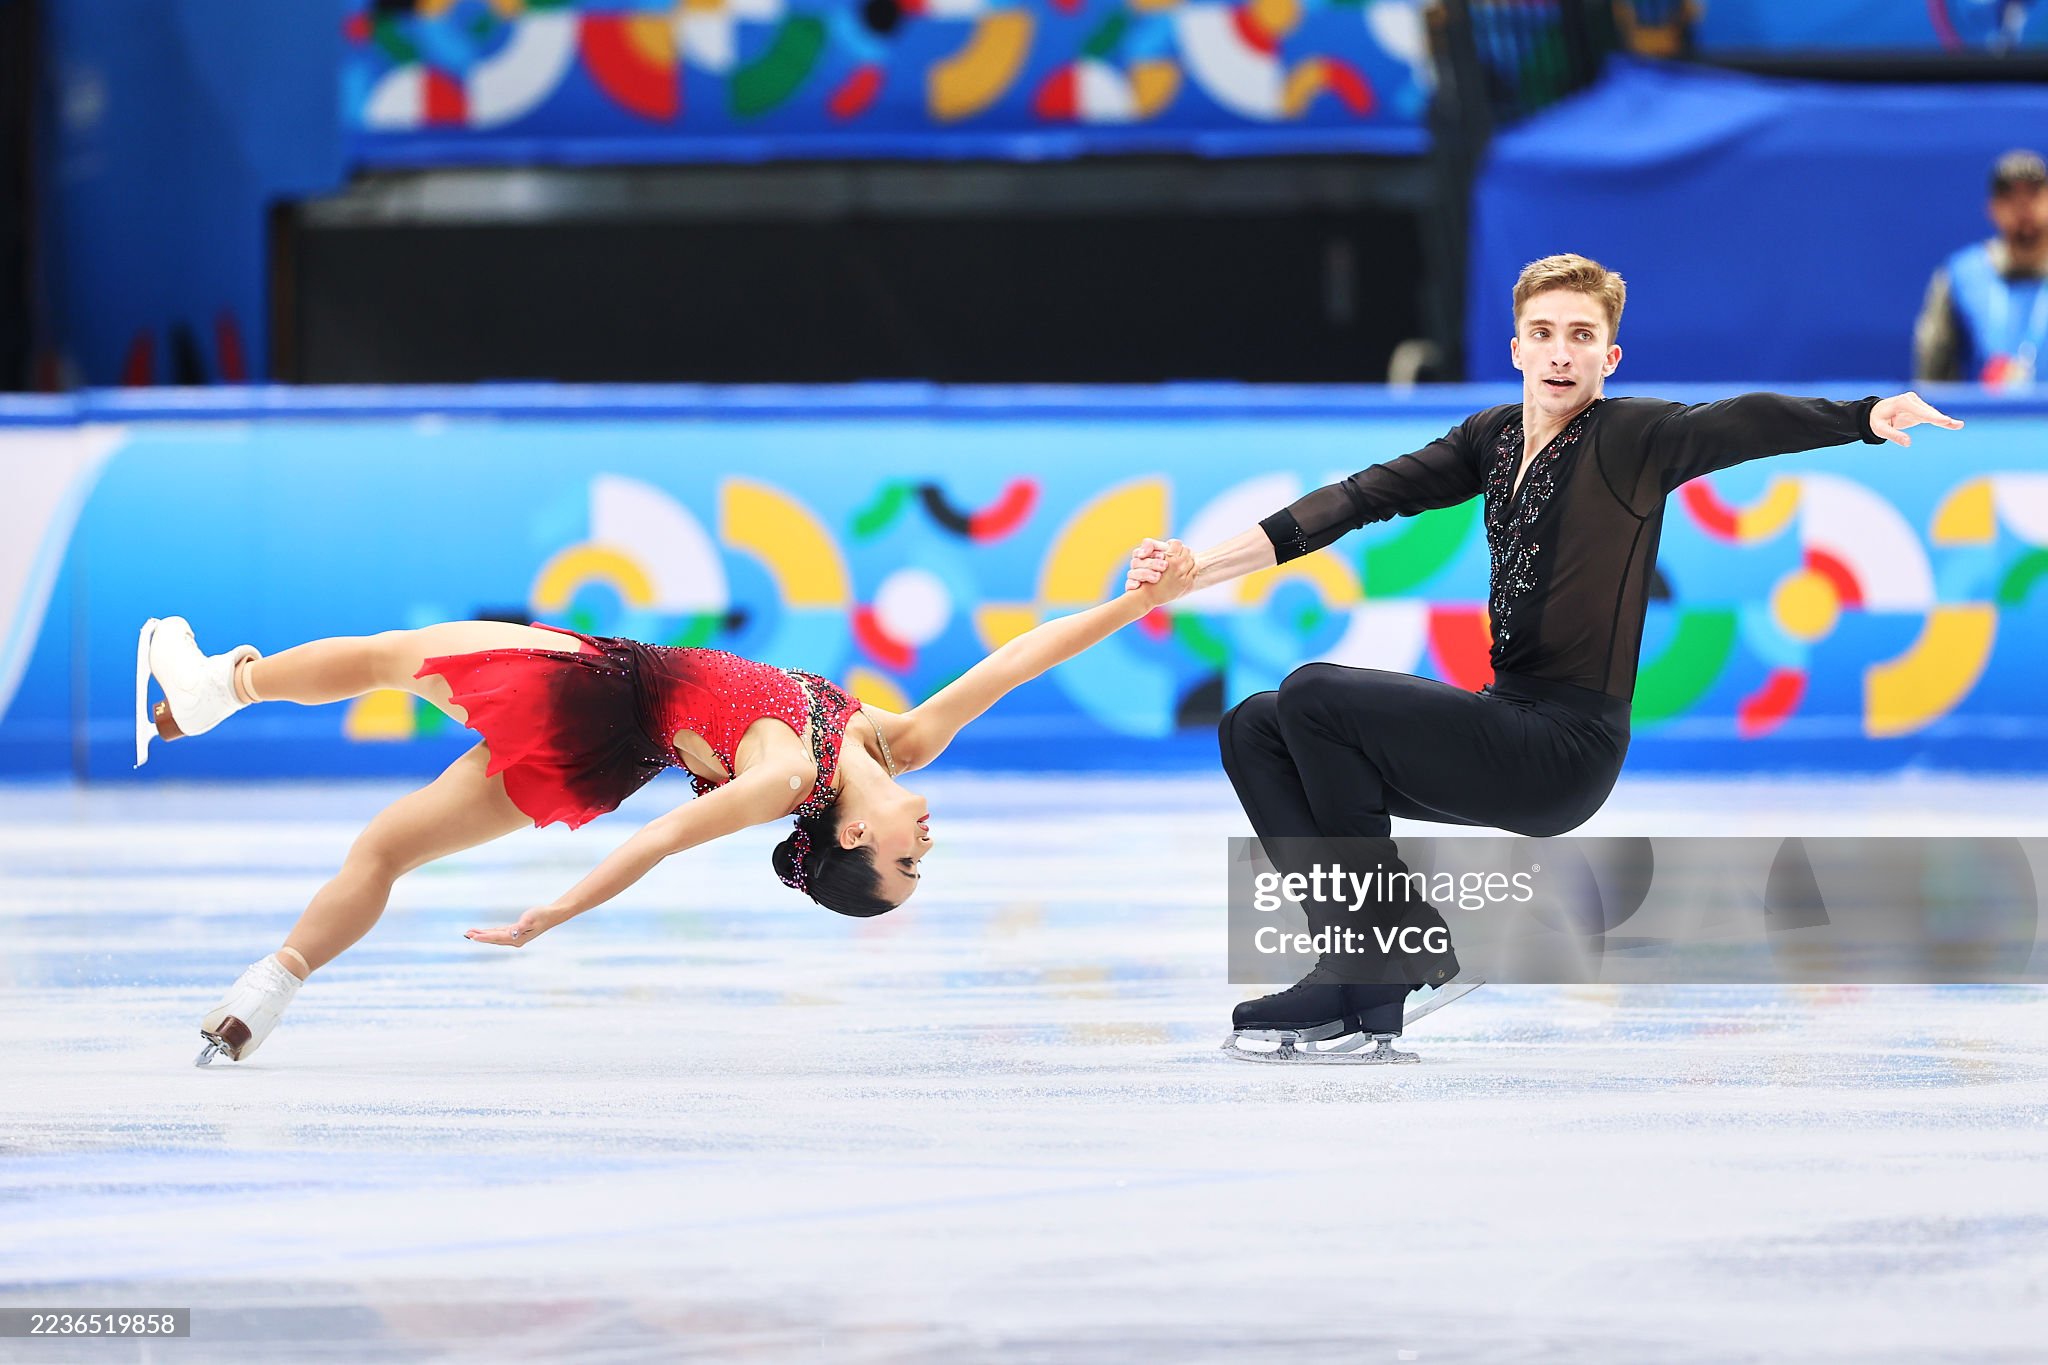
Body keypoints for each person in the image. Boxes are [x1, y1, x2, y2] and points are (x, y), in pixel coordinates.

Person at [1128, 252, 1964, 1062]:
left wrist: (1861, 417)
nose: (1562, 352)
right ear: (1517, 348)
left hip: (1564, 749)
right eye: (1544, 333)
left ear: (1610, 356)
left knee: (1314, 691)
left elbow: (1741, 421)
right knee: (1255, 726)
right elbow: (1357, 497)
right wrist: (1197, 567)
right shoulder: (1491, 438)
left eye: (1582, 335)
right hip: (1505, 718)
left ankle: (1386, 951)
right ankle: (1362, 969)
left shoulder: (1633, 437)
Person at [139, 540, 1196, 1065]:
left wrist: (558, 911)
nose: (928, 842)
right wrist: (1134, 602)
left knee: (387, 657)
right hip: (602, 756)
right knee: (384, 851)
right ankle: (261, 996)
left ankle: (226, 684)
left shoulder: (787, 776)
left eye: (906, 862)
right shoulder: (900, 738)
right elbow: (1018, 659)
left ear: (853, 834)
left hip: (591, 688)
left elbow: (664, 836)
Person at [1915, 149, 2048, 388]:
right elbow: (1932, 376)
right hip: (1989, 411)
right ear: (1992, 208)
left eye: (2033, 194)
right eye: (2010, 197)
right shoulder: (1962, 275)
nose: (2023, 207)